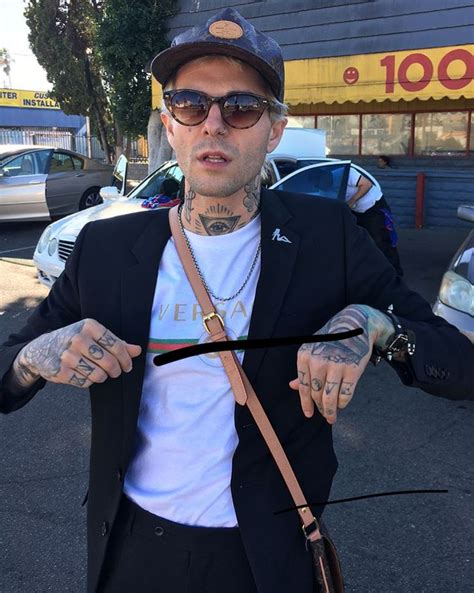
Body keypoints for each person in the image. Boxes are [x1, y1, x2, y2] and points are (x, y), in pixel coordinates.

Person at [0, 8, 473, 593]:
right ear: (170, 125)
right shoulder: (105, 246)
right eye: (191, 105)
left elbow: (457, 362)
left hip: (267, 555)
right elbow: (8, 368)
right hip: (129, 547)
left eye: (242, 107)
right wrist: (34, 356)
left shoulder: (329, 239)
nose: (214, 125)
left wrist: (375, 325)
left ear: (273, 129)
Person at [345, 166, 404, 275]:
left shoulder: (346, 173)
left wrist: (351, 202)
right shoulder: (321, 185)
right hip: (355, 211)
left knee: (383, 241)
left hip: (373, 207)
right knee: (357, 242)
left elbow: (367, 184)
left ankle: (395, 276)